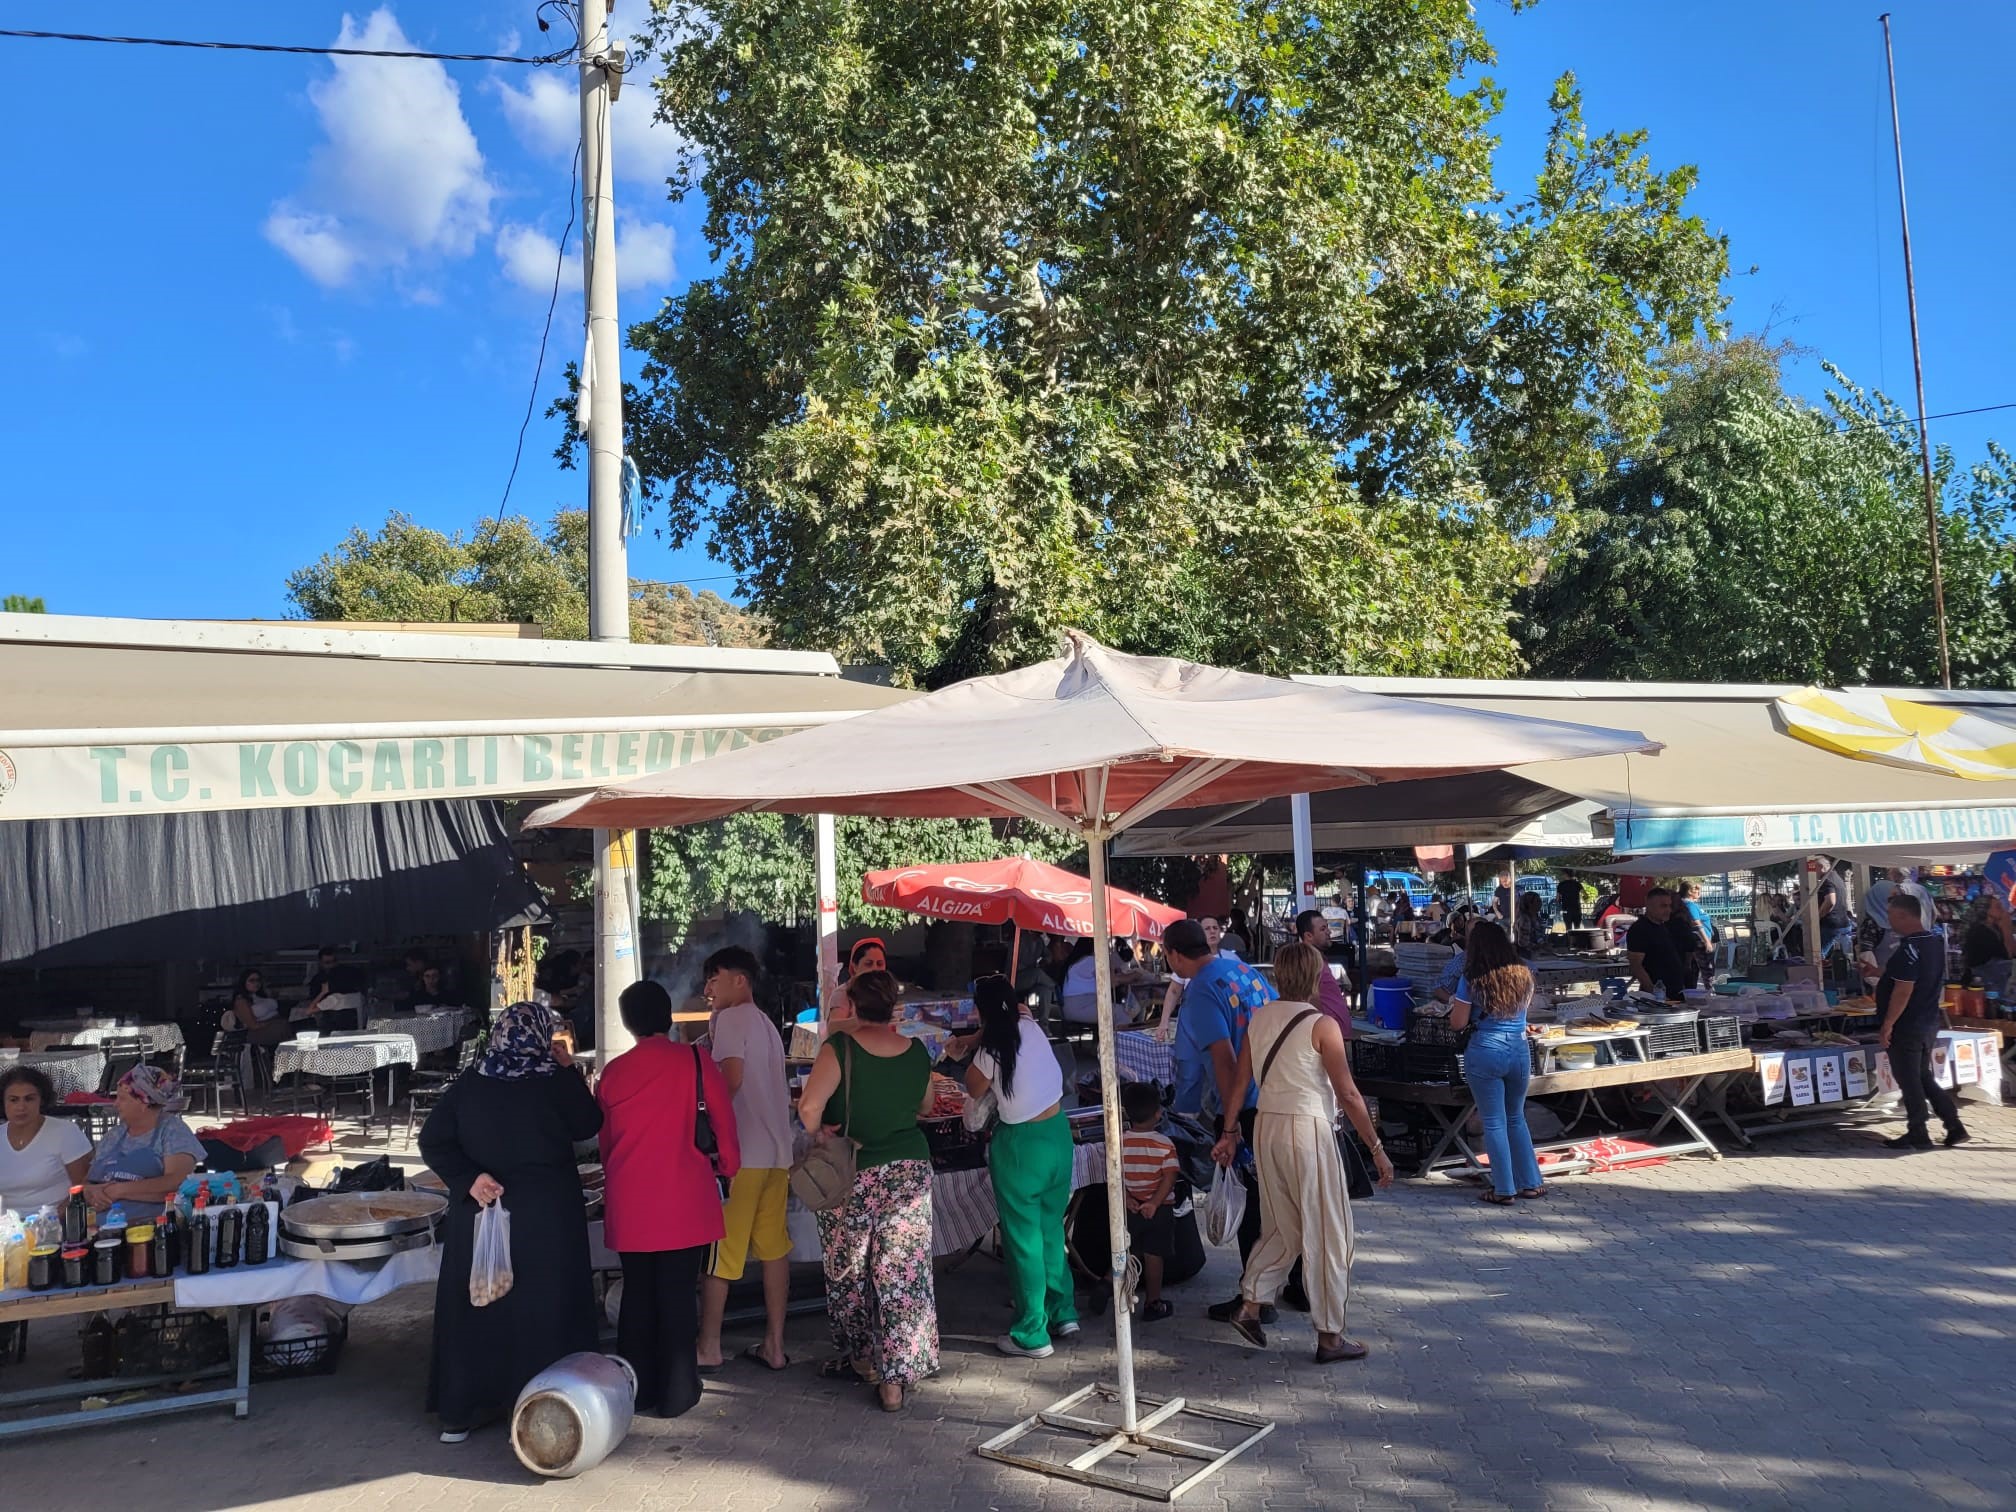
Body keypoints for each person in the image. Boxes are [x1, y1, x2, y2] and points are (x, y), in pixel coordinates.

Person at [419, 1001, 603, 1443]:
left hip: (482, 1212)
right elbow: (588, 1124)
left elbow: (432, 1140)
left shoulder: (472, 1083)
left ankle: (462, 1413)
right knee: (548, 1309)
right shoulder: (553, 1083)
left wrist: (469, 1179)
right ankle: (550, 1406)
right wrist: (565, 1069)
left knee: (481, 1306)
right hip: (547, 1217)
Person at [1212, 943, 1393, 1362]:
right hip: (1307, 1129)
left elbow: (1240, 1081)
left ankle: (1252, 1301)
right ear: (1315, 976)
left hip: (1267, 1127)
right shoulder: (1322, 1025)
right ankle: (1330, 1335)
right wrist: (1376, 1148)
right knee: (1330, 1233)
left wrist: (1229, 1130)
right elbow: (1347, 1093)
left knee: (1283, 1226)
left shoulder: (1260, 1018)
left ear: (1278, 975)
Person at [795, 969, 938, 1412]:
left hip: (854, 1172)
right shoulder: (916, 1051)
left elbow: (809, 1107)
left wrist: (819, 1133)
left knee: (849, 1270)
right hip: (910, 1170)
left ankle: (862, 1359)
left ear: (852, 1007)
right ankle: (896, 1381)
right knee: (903, 1274)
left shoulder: (839, 1049)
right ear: (894, 1006)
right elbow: (927, 1106)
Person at [599, 981, 741, 1419]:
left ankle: (636, 1390)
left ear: (627, 1023)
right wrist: (728, 1169)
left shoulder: (613, 1073)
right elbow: (725, 1127)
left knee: (638, 1296)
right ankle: (679, 1392)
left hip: (631, 1201)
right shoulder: (697, 1062)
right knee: (679, 1296)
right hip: (686, 1201)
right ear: (669, 1016)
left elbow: (605, 1145)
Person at [1163, 918, 1290, 1316]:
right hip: (1277, 1094)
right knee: (1277, 1198)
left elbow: (1224, 1060)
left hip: (1244, 1106)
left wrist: (1229, 1125)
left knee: (1249, 1202)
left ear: (1174, 954)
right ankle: (1291, 1285)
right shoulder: (1244, 971)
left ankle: (1256, 1298)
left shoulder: (1200, 992)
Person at [959, 974, 1075, 1357]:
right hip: (1059, 1135)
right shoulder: (1031, 1027)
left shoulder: (992, 1048)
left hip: (1021, 1146)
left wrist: (971, 1045)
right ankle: (1062, 1311)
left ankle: (1032, 1333)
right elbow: (1007, 1029)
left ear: (981, 1011)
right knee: (1049, 1232)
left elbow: (973, 1087)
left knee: (1023, 1241)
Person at [695, 947, 793, 1375]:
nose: (708, 988)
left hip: (744, 1157)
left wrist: (701, 1120)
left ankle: (709, 1346)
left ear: (741, 979)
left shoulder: (733, 1019)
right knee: (774, 1250)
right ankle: (775, 1344)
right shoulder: (767, 1024)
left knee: (722, 1252)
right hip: (777, 1156)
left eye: (715, 978)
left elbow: (728, 1082)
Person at [1451, 922, 1545, 1204]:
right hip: (1518, 1048)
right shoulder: (1524, 974)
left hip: (1485, 1050)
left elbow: (1458, 1023)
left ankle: (1503, 1188)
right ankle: (1531, 1182)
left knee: (1493, 1121)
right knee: (1516, 1117)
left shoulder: (1471, 978)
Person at [1868, 892, 1969, 1152]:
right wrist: (1877, 973)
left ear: (1903, 915)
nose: (1888, 919)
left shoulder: (1910, 947)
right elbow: (1906, 975)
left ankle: (1918, 1131)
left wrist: (1888, 1023)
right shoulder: (1932, 942)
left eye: (1891, 914)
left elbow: (1904, 989)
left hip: (1908, 1024)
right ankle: (1953, 1125)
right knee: (1922, 1076)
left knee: (1909, 1078)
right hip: (1926, 1020)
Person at [84, 1067, 205, 1220]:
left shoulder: (172, 1130)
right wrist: (90, 1192)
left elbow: (178, 1182)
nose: (116, 1104)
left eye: (122, 1099)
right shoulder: (114, 1135)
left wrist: (118, 1191)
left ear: (143, 1102)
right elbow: (87, 1182)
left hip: (150, 1226)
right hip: (100, 1226)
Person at [1119, 1080, 1179, 1323]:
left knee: (1127, 1251)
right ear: (1158, 1113)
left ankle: (1116, 1291)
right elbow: (1170, 1177)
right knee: (1155, 1255)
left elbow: (1115, 1177)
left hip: (1131, 1208)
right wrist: (1154, 1202)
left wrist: (1127, 1200)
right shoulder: (1165, 1145)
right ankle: (1153, 1302)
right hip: (1159, 1210)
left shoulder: (1120, 1143)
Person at [0, 1065, 94, 1213]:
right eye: (13, 1100)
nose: (21, 1107)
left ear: (41, 1100)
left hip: (56, 1225)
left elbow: (85, 1186)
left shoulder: (65, 1132)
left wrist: (52, 1220)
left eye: (29, 1099)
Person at [1294, 910, 1355, 1035]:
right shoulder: (1309, 962)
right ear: (1308, 936)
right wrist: (1325, 1032)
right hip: (1328, 1039)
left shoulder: (1317, 959)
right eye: (1323, 929)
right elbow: (1310, 999)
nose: (1329, 932)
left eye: (1327, 927)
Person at [1626, 890, 1691, 1001]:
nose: (1668, 910)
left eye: (1669, 906)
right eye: (1663, 906)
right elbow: (1636, 965)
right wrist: (1655, 993)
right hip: (1658, 997)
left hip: (1676, 992)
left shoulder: (1665, 926)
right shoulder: (1640, 929)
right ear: (1649, 905)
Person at [1961, 893, 2014, 995]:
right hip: (1984, 984)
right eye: (1998, 907)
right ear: (1986, 911)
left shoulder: (1994, 928)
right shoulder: (1980, 932)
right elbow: (2007, 955)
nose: (2002, 910)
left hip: (1995, 980)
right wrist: (2006, 929)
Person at [1429, 913, 1474, 1004]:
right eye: (1459, 920)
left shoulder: (1464, 959)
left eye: (1462, 920)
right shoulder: (1445, 932)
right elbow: (1430, 939)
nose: (1461, 922)